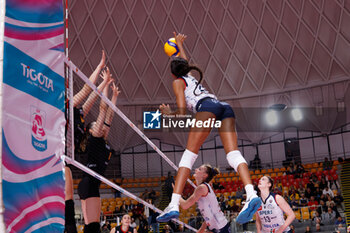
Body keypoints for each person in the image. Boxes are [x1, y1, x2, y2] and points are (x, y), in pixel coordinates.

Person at [157, 32, 261, 224]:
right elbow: (184, 62)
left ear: (172, 73)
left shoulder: (178, 82)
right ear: (185, 68)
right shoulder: (189, 75)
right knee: (233, 154)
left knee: (188, 156)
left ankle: (172, 204)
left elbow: (181, 113)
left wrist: (168, 114)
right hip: (222, 106)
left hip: (206, 108)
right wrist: (179, 44)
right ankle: (251, 193)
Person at [65, 51, 107, 233]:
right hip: (59, 157)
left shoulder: (79, 115)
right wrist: (98, 67)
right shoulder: (68, 106)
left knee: (68, 199)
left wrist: (104, 83)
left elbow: (92, 96)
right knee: (67, 200)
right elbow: (87, 89)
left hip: (66, 159)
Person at [78, 67, 120, 233]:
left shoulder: (103, 140)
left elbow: (109, 116)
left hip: (92, 184)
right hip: (89, 183)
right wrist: (105, 89)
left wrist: (115, 96)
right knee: (93, 227)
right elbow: (103, 110)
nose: (100, 125)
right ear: (91, 130)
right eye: (96, 124)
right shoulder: (94, 138)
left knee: (92, 226)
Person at [177, 164, 230, 233]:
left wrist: (176, 193)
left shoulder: (202, 188)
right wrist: (201, 230)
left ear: (205, 175)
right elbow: (209, 213)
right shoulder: (205, 187)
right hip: (219, 226)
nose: (196, 169)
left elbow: (185, 205)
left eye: (199, 169)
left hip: (219, 227)